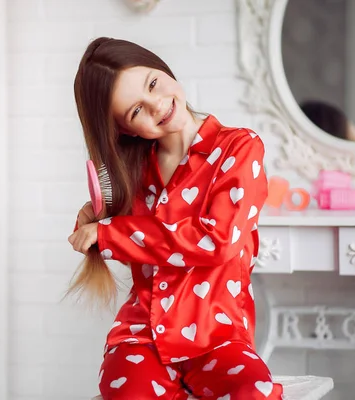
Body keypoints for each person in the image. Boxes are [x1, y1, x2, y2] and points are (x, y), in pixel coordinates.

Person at [68, 37, 283, 399]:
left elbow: (217, 242)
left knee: (254, 392)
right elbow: (111, 239)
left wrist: (112, 233)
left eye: (153, 83)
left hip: (217, 336)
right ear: (125, 130)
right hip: (142, 336)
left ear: (164, 69)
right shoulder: (132, 174)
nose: (156, 105)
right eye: (136, 111)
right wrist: (92, 224)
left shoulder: (241, 149)